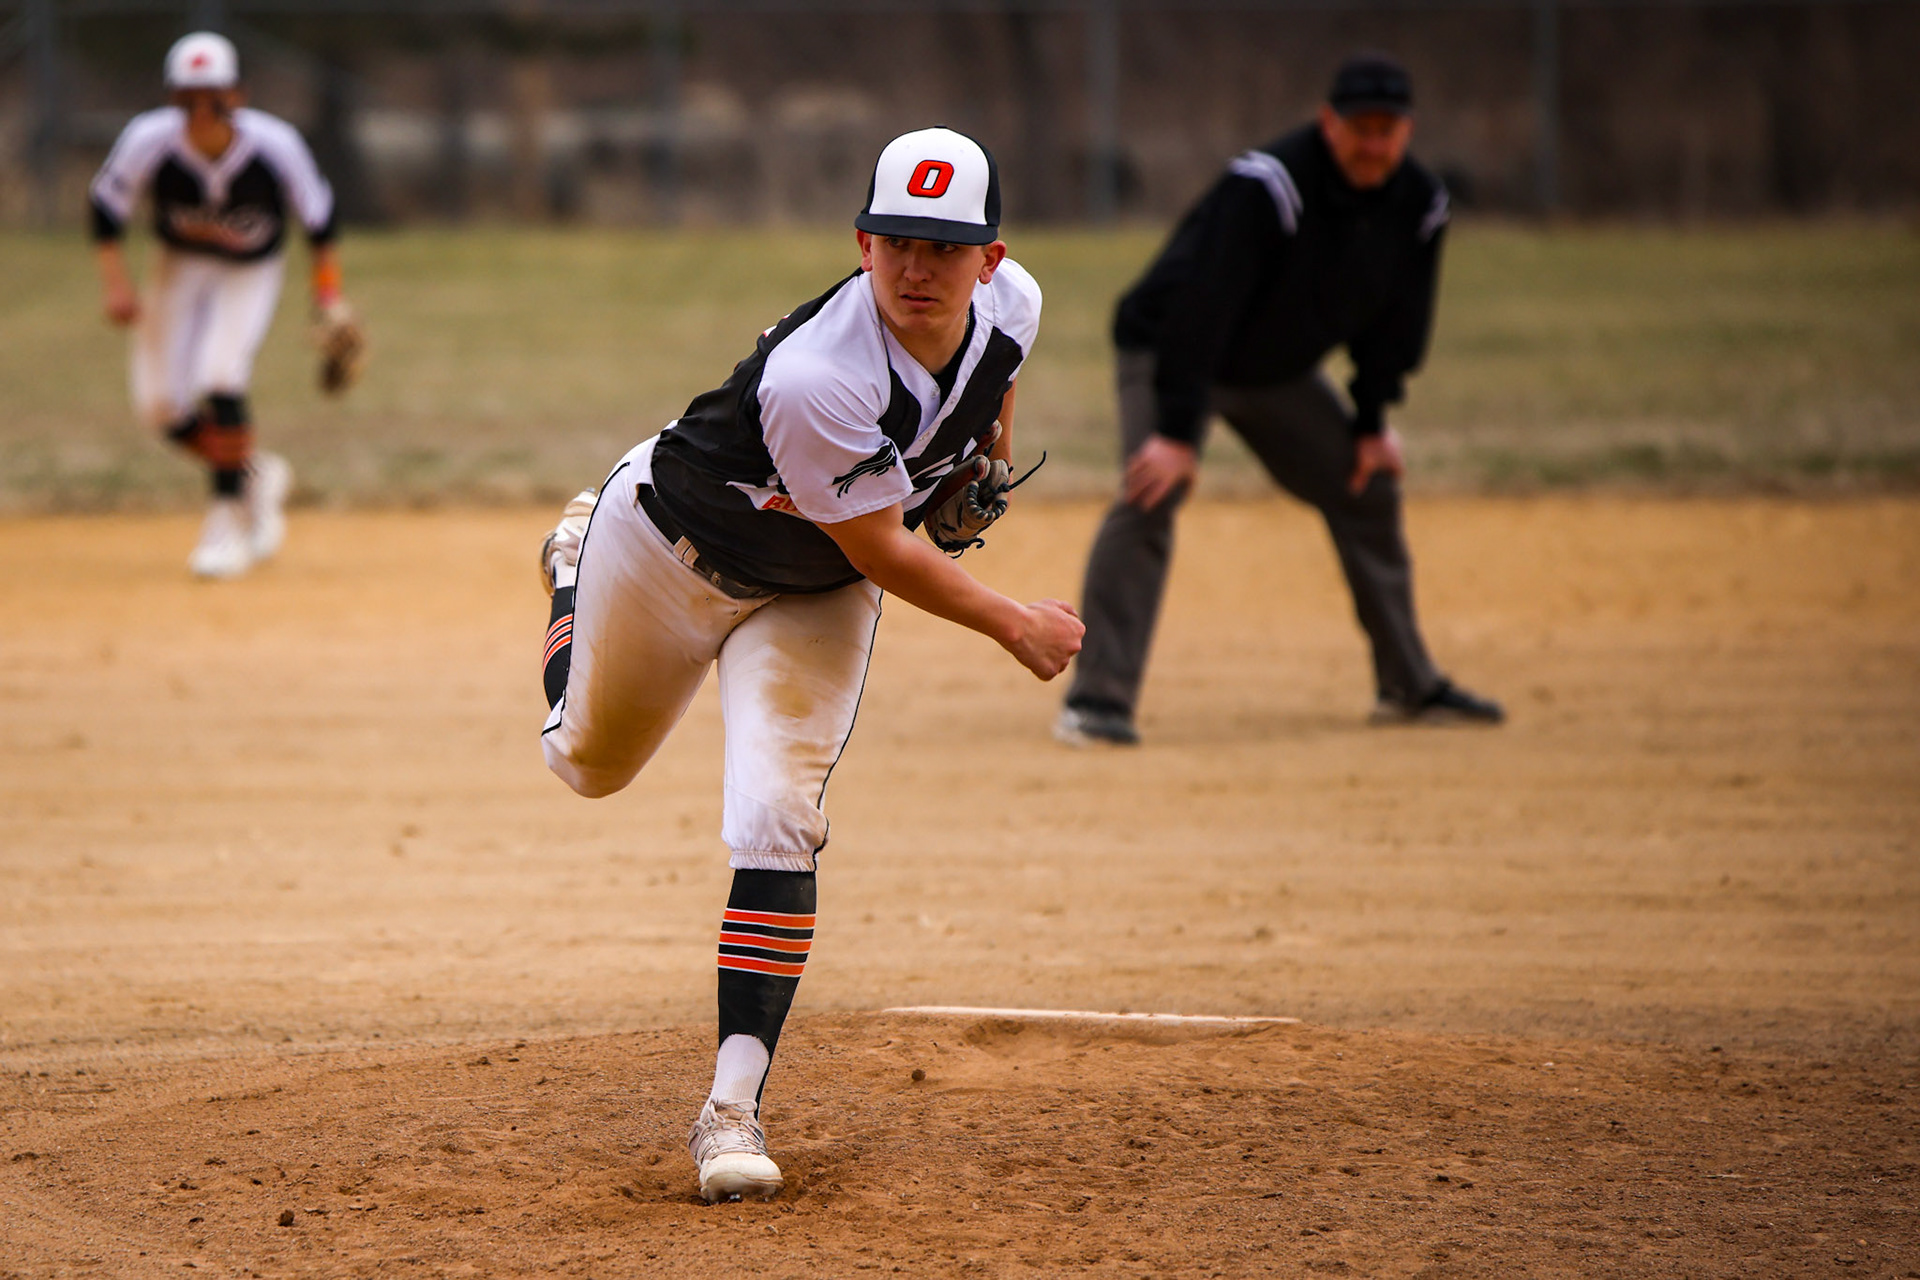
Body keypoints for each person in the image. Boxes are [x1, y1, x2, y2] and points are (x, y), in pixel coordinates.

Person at [534, 127, 1083, 1203]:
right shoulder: (816, 373)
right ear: (862, 244)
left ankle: (729, 1109)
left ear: (993, 256)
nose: (920, 267)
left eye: (947, 245)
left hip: (809, 594)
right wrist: (1014, 620)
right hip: (669, 550)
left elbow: (999, 372)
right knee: (585, 763)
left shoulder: (1013, 305)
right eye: (897, 242)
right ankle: (569, 564)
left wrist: (987, 462)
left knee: (779, 812)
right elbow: (882, 547)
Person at [1056, 52, 1503, 746]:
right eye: (1361, 128)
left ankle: (1408, 684)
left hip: (1272, 370)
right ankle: (1097, 701)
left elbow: (1398, 324)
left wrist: (1371, 420)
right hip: (1171, 350)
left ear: (1408, 132)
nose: (1374, 144)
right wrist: (1175, 433)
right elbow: (1201, 308)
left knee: (1368, 487)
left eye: (1389, 129)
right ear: (1329, 123)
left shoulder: (1421, 204)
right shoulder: (1268, 187)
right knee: (1151, 490)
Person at [90, 31, 351, 579]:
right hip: (177, 265)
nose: (200, 110)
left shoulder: (274, 143)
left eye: (213, 96)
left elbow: (321, 222)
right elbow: (105, 210)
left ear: (238, 96)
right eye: (188, 97)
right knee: (160, 406)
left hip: (250, 271)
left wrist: (328, 296)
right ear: (172, 99)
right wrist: (116, 285)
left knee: (220, 374)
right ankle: (254, 474)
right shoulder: (150, 140)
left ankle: (226, 522)